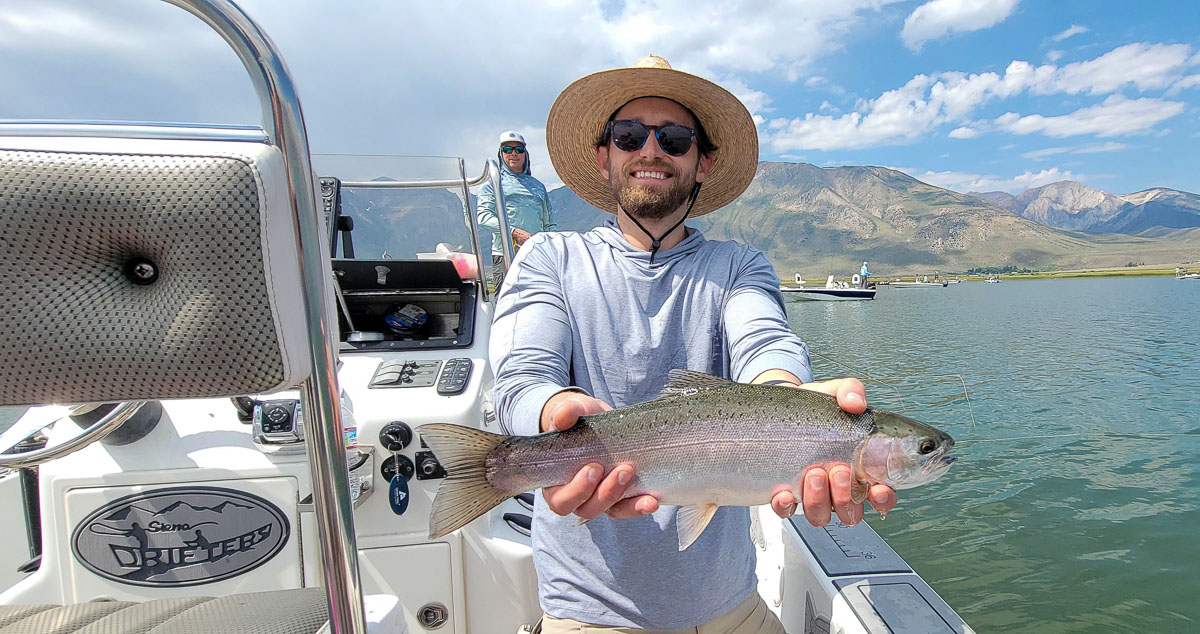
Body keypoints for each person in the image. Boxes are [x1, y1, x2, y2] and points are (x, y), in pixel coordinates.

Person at [490, 55, 897, 633]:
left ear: (702, 163)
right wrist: (552, 411)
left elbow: (766, 343)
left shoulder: (739, 266)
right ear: (605, 155)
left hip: (732, 607)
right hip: (589, 615)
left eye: (674, 139)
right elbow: (520, 381)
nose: (650, 150)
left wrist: (788, 395)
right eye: (629, 135)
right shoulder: (549, 259)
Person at [476, 130, 555, 288]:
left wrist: (549, 246)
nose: (513, 153)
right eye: (507, 149)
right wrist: (514, 232)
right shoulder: (492, 184)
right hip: (505, 254)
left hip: (537, 254)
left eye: (518, 150)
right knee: (504, 302)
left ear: (525, 154)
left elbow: (549, 223)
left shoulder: (538, 186)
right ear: (501, 154)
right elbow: (483, 217)